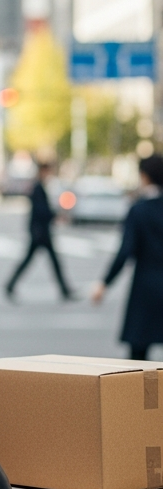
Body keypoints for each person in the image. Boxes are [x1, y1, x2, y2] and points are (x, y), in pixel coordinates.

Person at [90, 153, 163, 359]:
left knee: (138, 356)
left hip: (145, 287)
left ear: (144, 176)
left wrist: (104, 283)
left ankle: (138, 393)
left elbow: (125, 252)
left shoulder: (139, 210)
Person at [5, 160, 76, 301]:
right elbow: (41, 210)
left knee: (45, 261)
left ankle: (11, 285)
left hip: (40, 231)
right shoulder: (38, 188)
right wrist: (56, 215)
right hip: (40, 232)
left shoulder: (39, 186)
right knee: (47, 262)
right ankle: (64, 290)